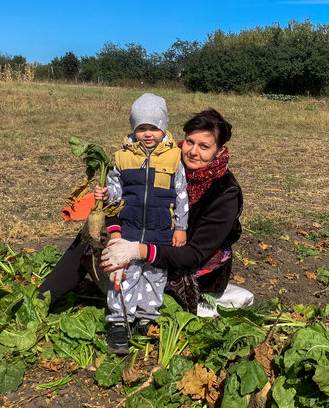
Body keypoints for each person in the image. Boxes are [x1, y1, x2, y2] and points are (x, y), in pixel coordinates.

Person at [101, 108, 243, 316]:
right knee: (93, 241)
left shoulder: (226, 193)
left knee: (147, 288)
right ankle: (48, 294)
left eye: (204, 146)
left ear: (219, 151)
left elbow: (193, 254)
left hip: (189, 263)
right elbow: (126, 198)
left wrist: (134, 251)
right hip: (150, 239)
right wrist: (116, 239)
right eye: (189, 142)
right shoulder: (165, 161)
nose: (193, 151)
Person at [93, 93, 188, 354]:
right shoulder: (123, 157)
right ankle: (119, 322)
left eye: (154, 128)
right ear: (134, 130)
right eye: (142, 128)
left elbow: (181, 195)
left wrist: (181, 227)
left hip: (161, 231)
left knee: (155, 277)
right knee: (125, 275)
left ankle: (146, 320)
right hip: (130, 228)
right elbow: (116, 189)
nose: (148, 134)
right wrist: (107, 194)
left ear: (164, 128)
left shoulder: (174, 158)